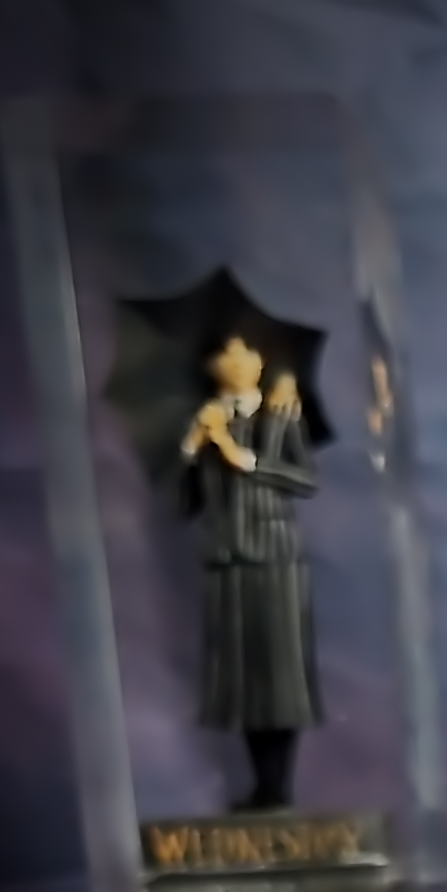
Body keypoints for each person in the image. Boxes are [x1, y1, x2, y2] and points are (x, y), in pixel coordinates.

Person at [180, 333, 321, 810]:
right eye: (227, 354)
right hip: (228, 558)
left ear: (261, 362)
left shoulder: (282, 414)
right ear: (212, 366)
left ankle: (279, 785)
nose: (237, 362)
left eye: (246, 353)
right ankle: (263, 787)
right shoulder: (207, 421)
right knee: (245, 680)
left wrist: (249, 461)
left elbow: (306, 479)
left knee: (282, 675)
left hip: (276, 556)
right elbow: (186, 502)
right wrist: (194, 445)